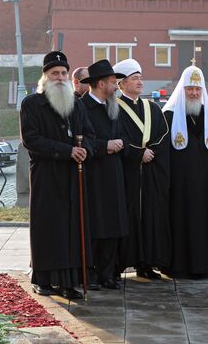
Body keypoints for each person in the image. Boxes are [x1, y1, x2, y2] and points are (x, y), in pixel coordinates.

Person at [20, 51, 93, 299]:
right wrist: (67, 150)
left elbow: (90, 136)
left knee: (71, 228)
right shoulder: (31, 104)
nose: (60, 78)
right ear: (45, 77)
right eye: (54, 73)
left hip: (73, 176)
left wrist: (86, 150)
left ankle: (68, 282)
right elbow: (32, 140)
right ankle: (43, 278)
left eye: (63, 73)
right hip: (46, 175)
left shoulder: (77, 104)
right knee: (48, 227)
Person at [162, 63, 208, 279]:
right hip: (179, 184)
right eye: (190, 88)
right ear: (183, 90)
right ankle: (178, 266)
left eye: (198, 89)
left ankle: (204, 266)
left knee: (202, 224)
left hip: (205, 184)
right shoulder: (169, 116)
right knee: (180, 222)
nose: (194, 93)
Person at [114, 58, 172, 279]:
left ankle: (146, 263)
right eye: (134, 79)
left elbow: (162, 135)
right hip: (128, 174)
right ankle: (123, 262)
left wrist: (151, 153)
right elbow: (117, 137)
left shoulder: (152, 107)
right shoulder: (114, 108)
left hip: (150, 174)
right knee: (128, 217)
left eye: (140, 78)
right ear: (121, 84)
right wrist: (139, 153)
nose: (140, 82)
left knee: (149, 217)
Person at [79, 60, 128, 290]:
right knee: (95, 226)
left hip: (114, 174)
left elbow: (122, 135)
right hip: (93, 175)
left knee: (113, 225)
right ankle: (90, 273)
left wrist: (119, 144)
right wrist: (104, 146)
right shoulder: (81, 107)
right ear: (100, 83)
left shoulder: (112, 106)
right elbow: (81, 140)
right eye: (112, 82)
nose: (116, 87)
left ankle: (108, 274)